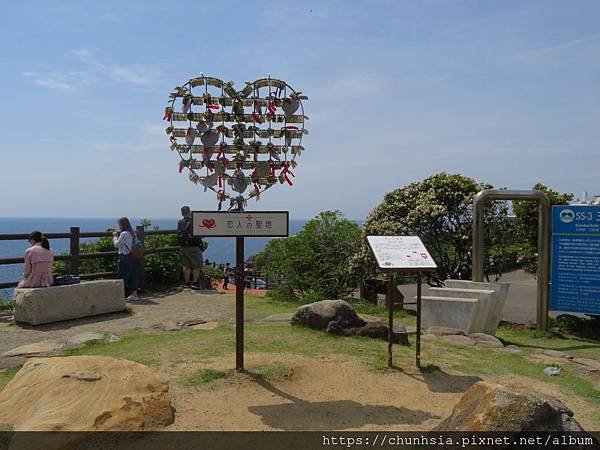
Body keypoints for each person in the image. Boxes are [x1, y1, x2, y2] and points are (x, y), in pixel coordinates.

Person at [177, 206, 206, 289]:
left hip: (184, 246)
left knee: (186, 266)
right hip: (194, 246)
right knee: (196, 266)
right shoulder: (194, 222)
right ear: (189, 212)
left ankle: (187, 283)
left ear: (182, 213)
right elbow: (201, 235)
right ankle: (195, 283)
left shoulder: (180, 222)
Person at [112, 217, 140, 301]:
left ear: (122, 224)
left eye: (119, 224)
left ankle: (119, 296)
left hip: (125, 256)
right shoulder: (133, 233)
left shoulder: (124, 233)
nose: (119, 226)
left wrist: (115, 237)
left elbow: (117, 245)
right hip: (134, 256)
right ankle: (134, 294)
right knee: (133, 275)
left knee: (123, 275)